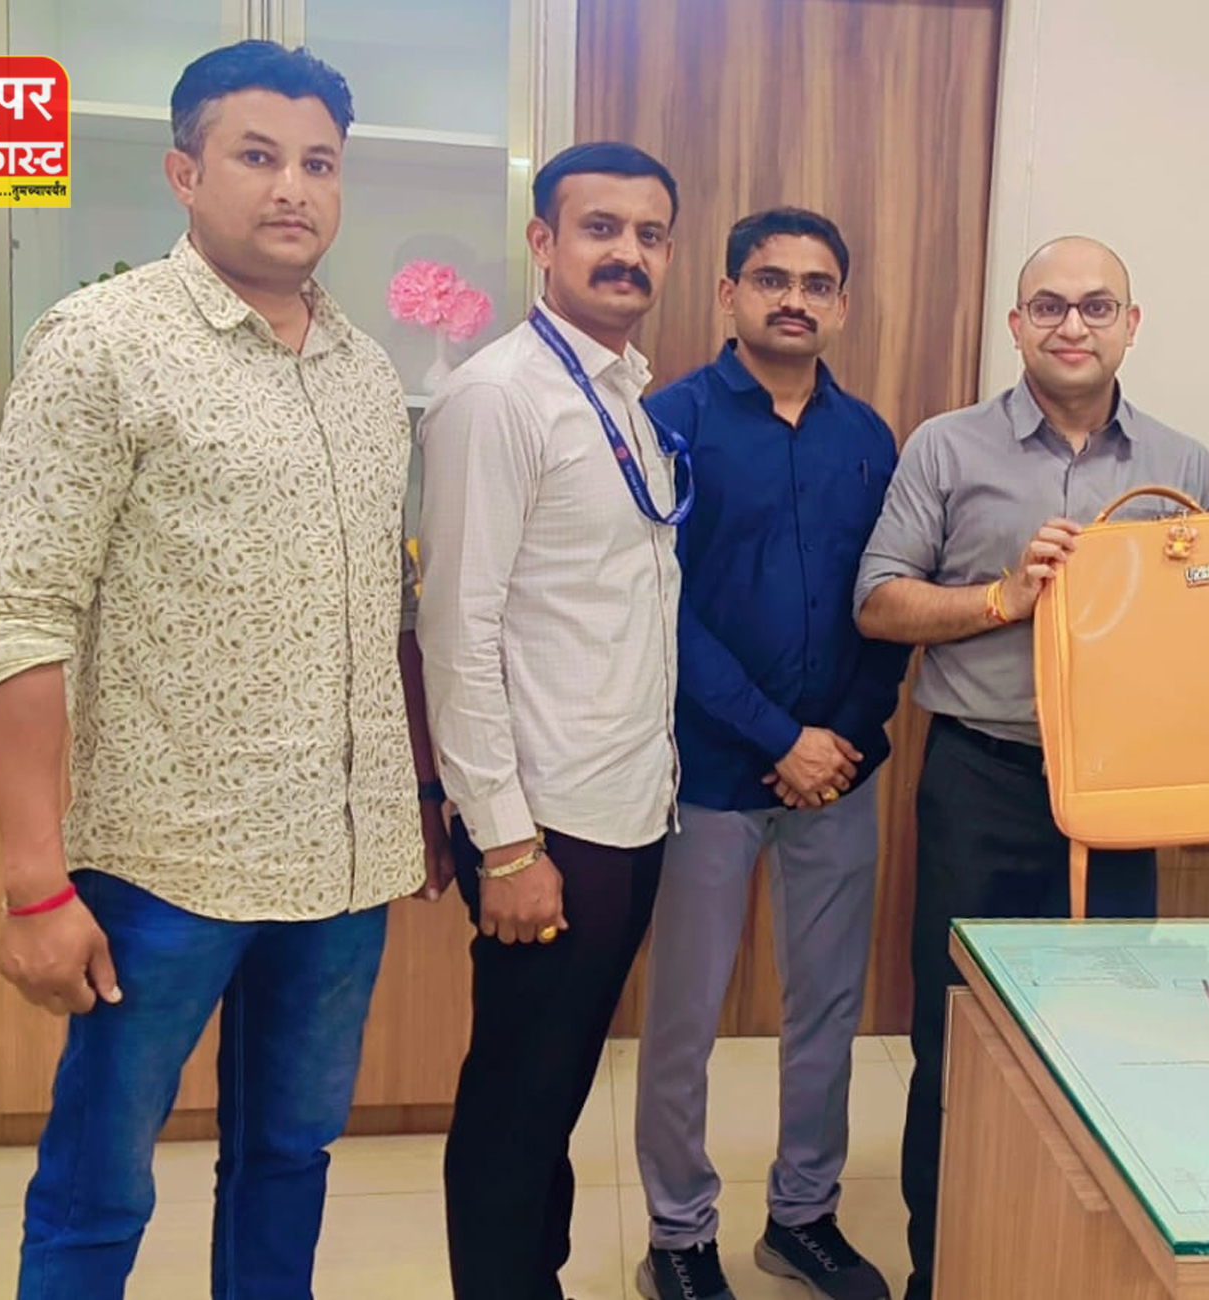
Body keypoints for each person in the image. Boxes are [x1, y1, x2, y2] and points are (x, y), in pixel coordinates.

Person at [0, 40, 443, 1299]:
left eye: (319, 163)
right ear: (185, 172)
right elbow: (20, 616)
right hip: (164, 865)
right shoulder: (102, 342)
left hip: (341, 866)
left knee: (290, 1156)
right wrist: (32, 882)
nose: (293, 187)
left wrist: (419, 796)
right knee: (99, 1182)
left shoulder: (365, 372)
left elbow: (381, 613)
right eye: (257, 156)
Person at [853, 235, 1209, 1300]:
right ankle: (946, 1270)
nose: (1072, 324)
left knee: (1112, 1039)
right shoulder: (945, 447)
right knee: (958, 1036)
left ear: (1130, 326)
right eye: (1049, 305)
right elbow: (877, 601)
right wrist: (1001, 598)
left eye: (1096, 306)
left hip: (1121, 792)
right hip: (982, 780)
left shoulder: (1183, 463)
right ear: (1015, 325)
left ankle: (1074, 1269)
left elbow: (1198, 625)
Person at [415, 140, 684, 1300]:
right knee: (514, 1107)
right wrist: (506, 842)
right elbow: (455, 629)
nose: (627, 252)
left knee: (556, 1091)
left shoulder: (622, 390)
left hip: (629, 800)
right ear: (542, 241)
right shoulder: (497, 397)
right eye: (599, 227)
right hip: (548, 819)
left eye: (648, 233)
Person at [632, 207, 908, 1300]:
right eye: (770, 279)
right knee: (685, 1013)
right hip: (709, 769)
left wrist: (843, 738)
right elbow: (661, 608)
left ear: (841, 304)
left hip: (838, 772)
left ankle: (802, 1216)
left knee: (828, 1005)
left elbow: (888, 597)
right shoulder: (670, 422)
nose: (794, 298)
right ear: (728, 294)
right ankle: (678, 1233)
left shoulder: (869, 436)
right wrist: (777, 737)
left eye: (816, 283)